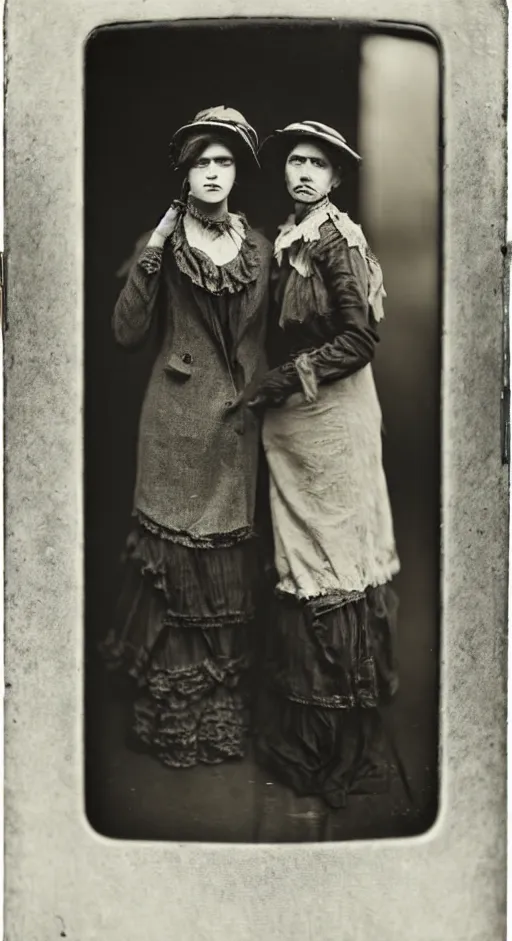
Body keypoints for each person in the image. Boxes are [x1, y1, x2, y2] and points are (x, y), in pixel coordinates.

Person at [101, 107, 272, 769]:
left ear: (237, 172)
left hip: (233, 431)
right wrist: (152, 248)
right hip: (175, 427)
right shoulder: (166, 244)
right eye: (201, 161)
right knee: (177, 572)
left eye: (223, 161)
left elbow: (285, 325)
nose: (211, 173)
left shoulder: (258, 247)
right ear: (185, 172)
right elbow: (124, 332)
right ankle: (175, 721)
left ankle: (218, 719)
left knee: (223, 573)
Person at [238, 120, 400, 808]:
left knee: (333, 570)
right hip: (298, 428)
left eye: (318, 164)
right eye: (296, 162)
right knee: (301, 564)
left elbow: (360, 339)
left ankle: (343, 747)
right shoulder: (288, 234)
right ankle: (303, 740)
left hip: (333, 422)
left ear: (336, 179)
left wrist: (283, 379)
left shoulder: (338, 240)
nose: (304, 172)